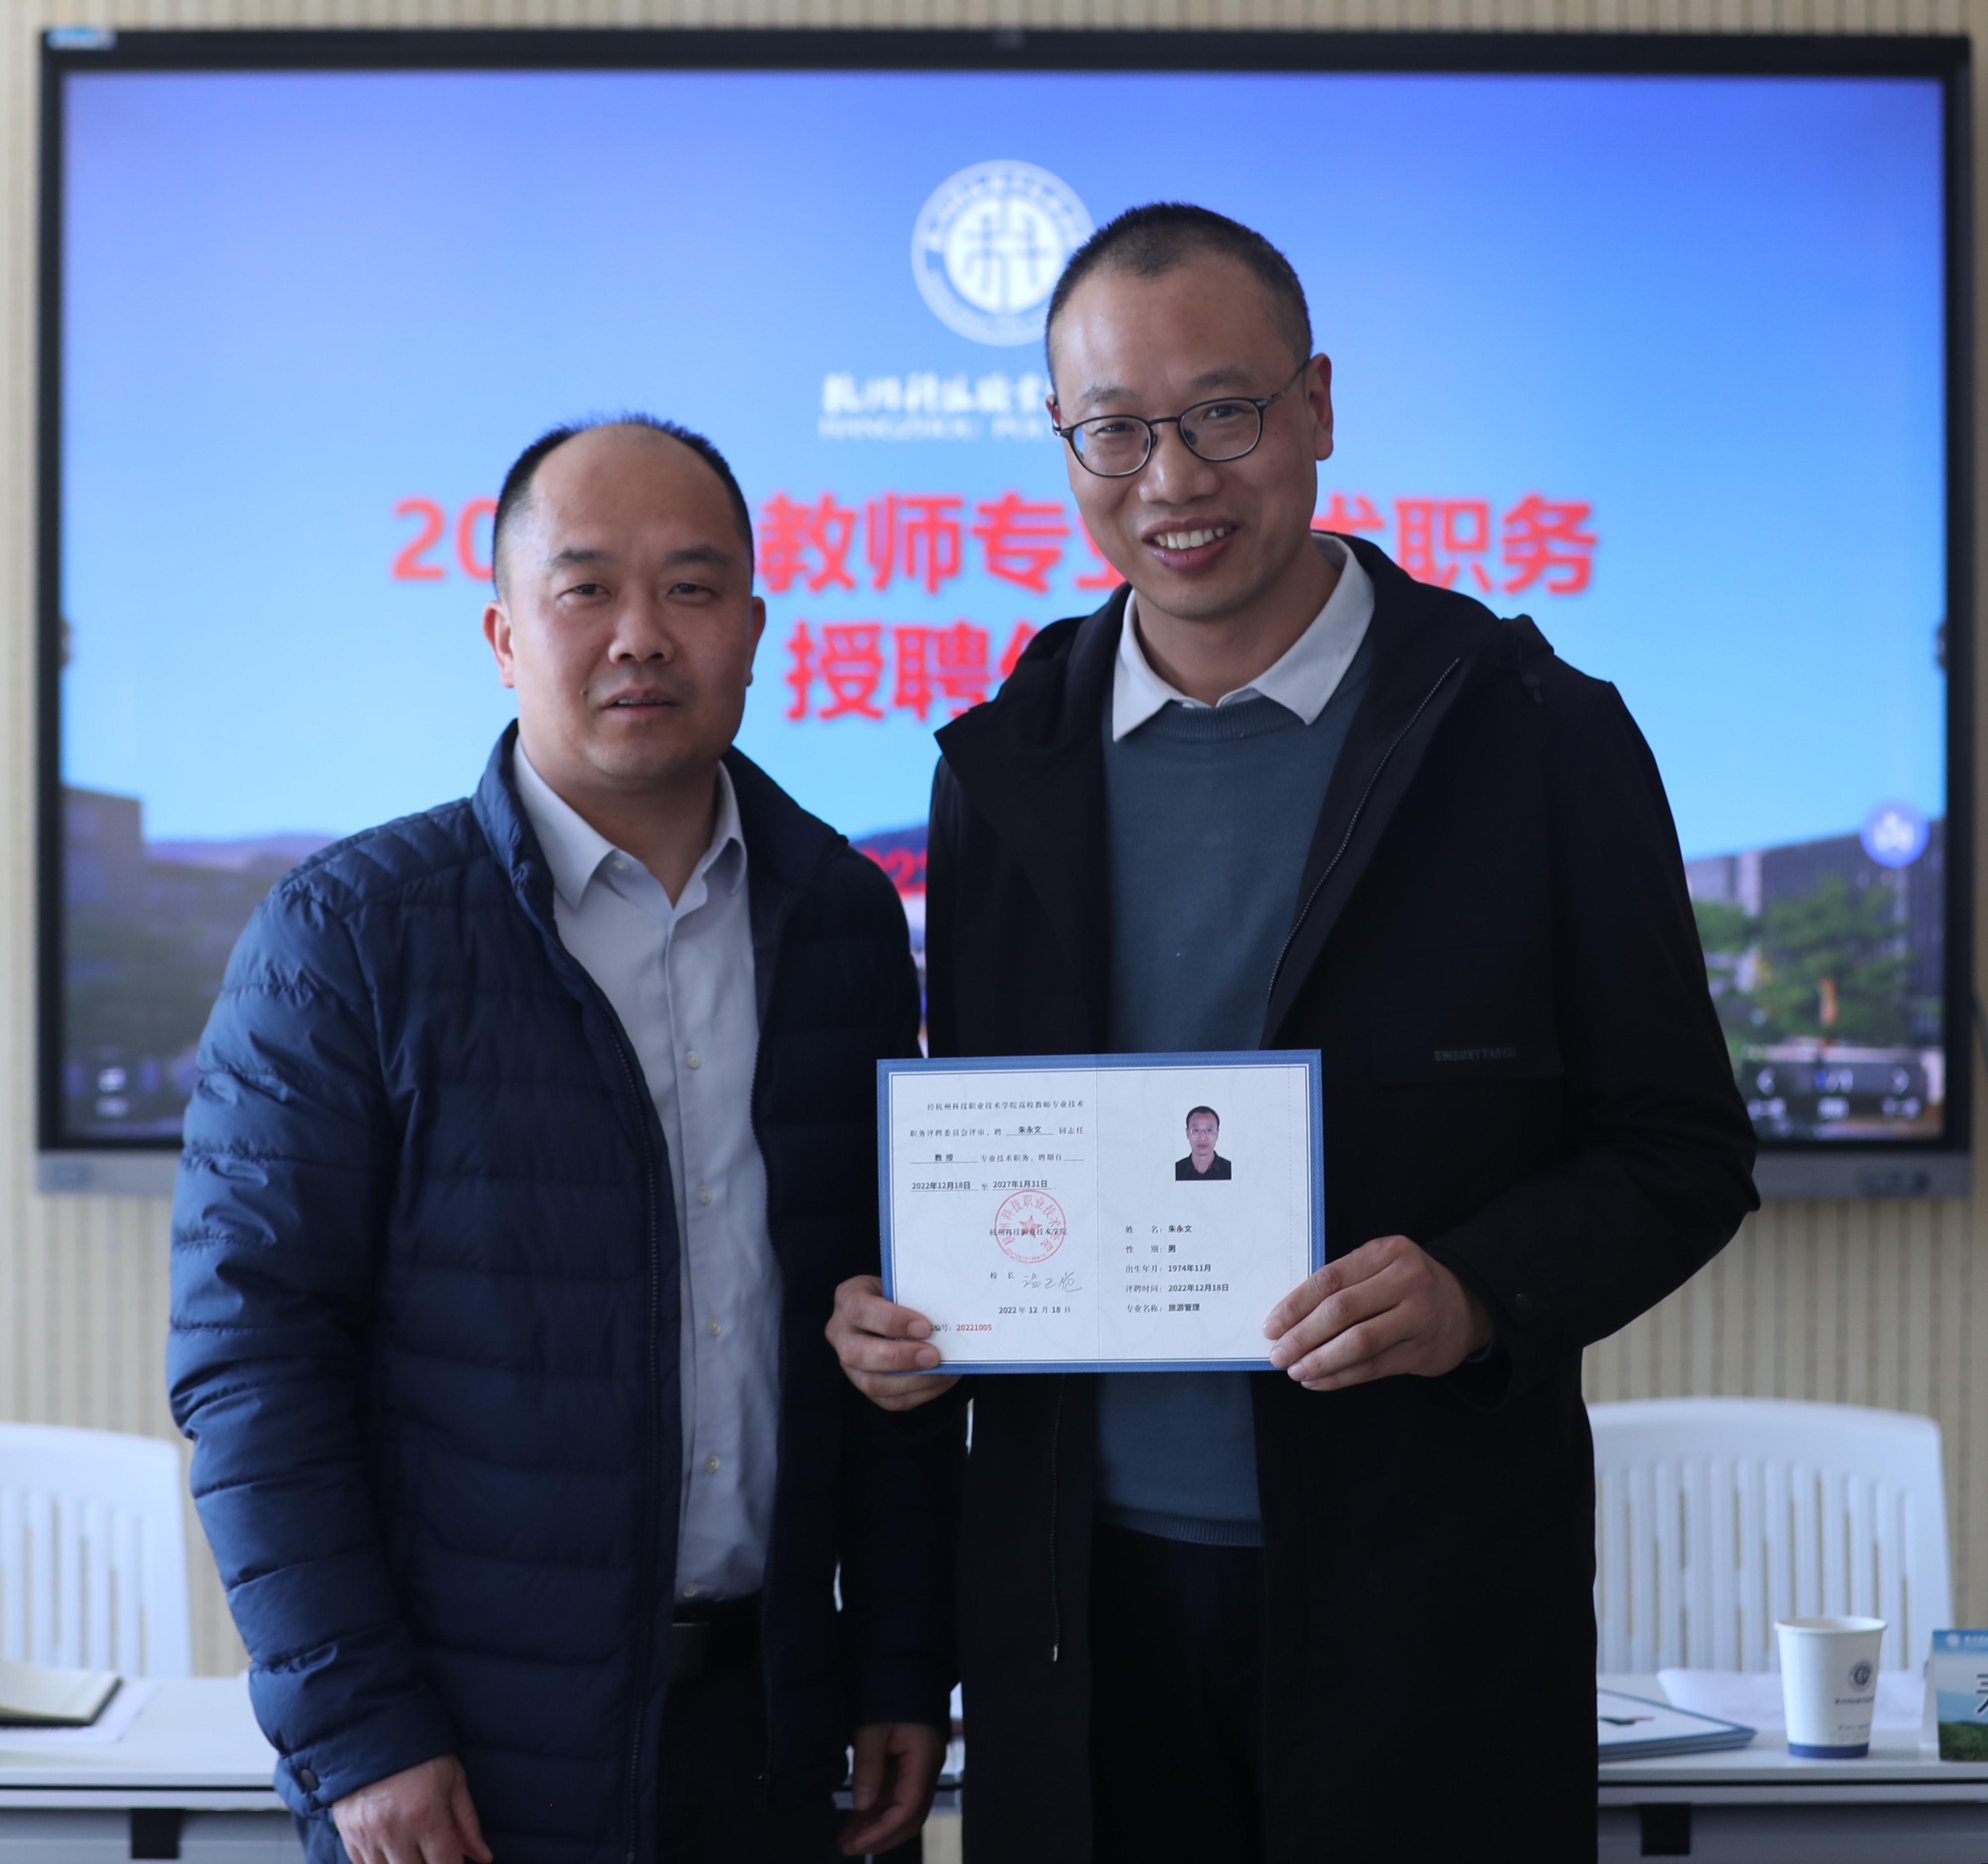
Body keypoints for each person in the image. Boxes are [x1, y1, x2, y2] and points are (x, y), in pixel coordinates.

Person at [828, 205, 1757, 1862]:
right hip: (1079, 1617)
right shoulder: (1001, 763)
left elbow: (1681, 1151)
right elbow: (988, 1152)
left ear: (1316, 407)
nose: (1171, 479)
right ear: (1062, 442)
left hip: (1422, 1601)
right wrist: (907, 1309)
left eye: (1223, 413)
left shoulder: (1530, 733)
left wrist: (1476, 1292)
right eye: (1114, 430)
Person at [169, 417, 961, 1864]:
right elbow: (253, 1364)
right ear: (502, 635)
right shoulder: (349, 937)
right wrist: (362, 1733)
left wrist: (903, 1657)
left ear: (755, 631)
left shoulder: (842, 920)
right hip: (467, 1761)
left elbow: (891, 1325)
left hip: (778, 1736)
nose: (640, 635)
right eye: (585, 588)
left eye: (691, 588)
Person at [1175, 1105, 1230, 1179]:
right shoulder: (1176, 1171)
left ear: (1217, 1134)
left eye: (1209, 1130)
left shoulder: (1230, 1171)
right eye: (1196, 1130)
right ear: (1187, 1133)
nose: (1203, 1138)